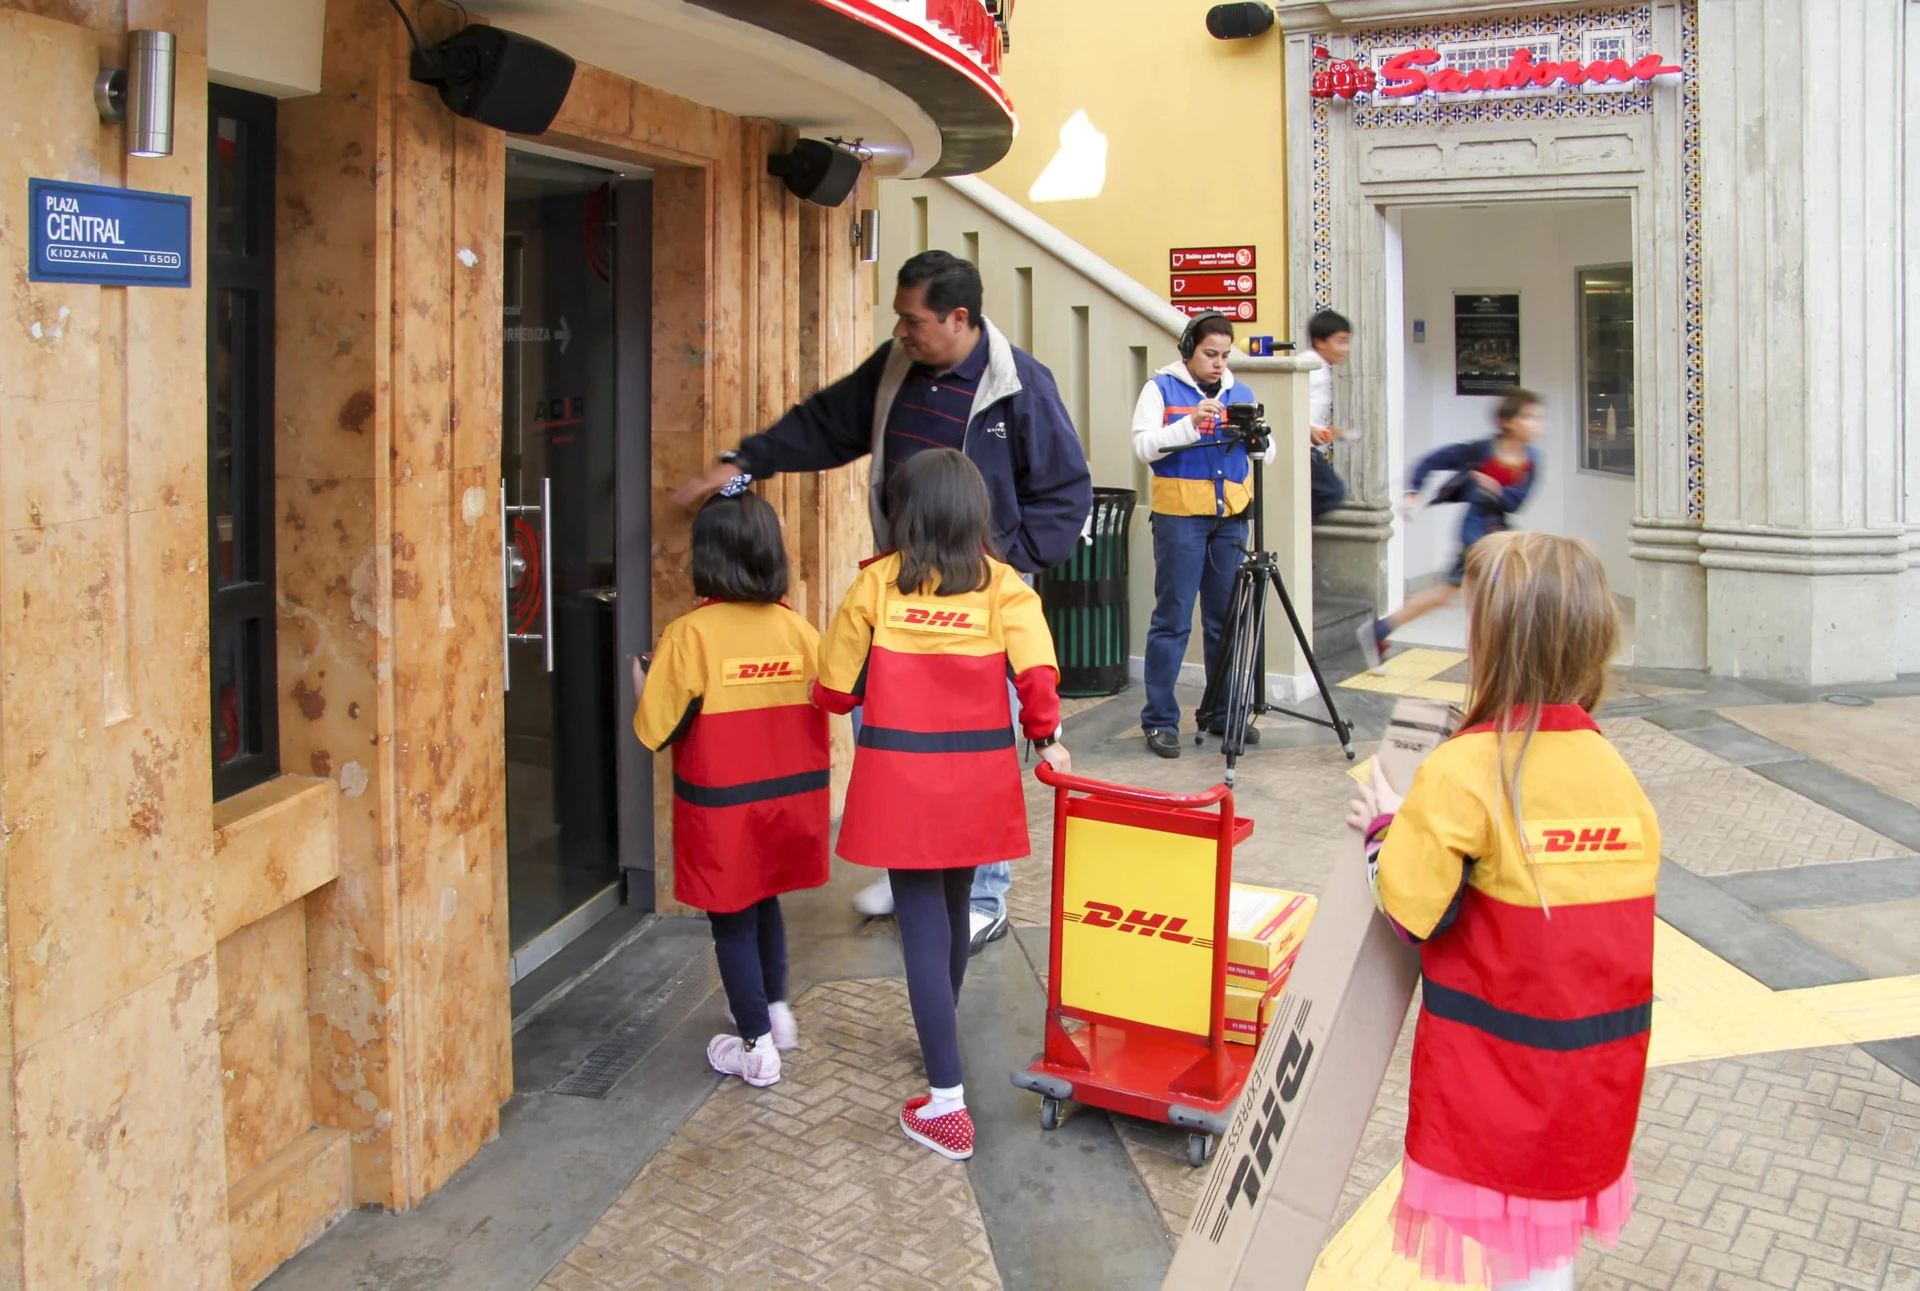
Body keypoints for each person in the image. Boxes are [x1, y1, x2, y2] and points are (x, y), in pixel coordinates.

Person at [670, 250, 1092, 954]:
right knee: (892, 748)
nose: (899, 331)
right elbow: (824, 423)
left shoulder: (1019, 385)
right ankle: (910, 870)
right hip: (899, 595)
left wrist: (1000, 570)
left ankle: (981, 896)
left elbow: (1066, 494)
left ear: (958, 318)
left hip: (978, 610)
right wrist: (746, 460)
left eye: (911, 319)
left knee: (974, 756)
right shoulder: (897, 367)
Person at [1347, 530, 1658, 1291]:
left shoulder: (1464, 769)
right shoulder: (1613, 769)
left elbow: (1410, 908)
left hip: (1498, 1081)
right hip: (1596, 1078)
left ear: (1494, 645)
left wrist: (1386, 826)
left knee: (1518, 1264)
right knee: (1548, 1250)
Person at [811, 449, 1071, 1160]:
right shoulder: (1004, 587)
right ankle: (941, 1030)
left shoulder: (876, 585)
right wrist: (1047, 738)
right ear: (975, 513)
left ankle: (947, 1105)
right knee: (955, 907)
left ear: (906, 514)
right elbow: (1038, 677)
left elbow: (833, 690)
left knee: (922, 927)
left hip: (902, 783)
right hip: (979, 782)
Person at [631, 483, 831, 1089]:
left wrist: (642, 682)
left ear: (707, 556)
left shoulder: (689, 635)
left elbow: (655, 728)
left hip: (725, 813)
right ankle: (776, 1012)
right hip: (788, 805)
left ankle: (756, 1048)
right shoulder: (799, 630)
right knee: (766, 900)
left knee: (732, 919)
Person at [1131, 311, 1261, 758]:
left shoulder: (1240, 392)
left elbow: (1264, 451)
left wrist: (1261, 440)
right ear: (1188, 350)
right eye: (1210, 354)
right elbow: (1143, 446)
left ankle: (1222, 711)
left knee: (1225, 620)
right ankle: (1160, 719)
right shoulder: (1160, 388)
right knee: (1173, 619)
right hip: (1180, 520)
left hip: (1231, 518)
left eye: (1225, 355)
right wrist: (1190, 424)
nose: (1219, 363)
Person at [1358, 388, 1543, 674]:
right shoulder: (1482, 450)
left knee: (1447, 592)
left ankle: (1379, 631)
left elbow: (1516, 503)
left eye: (1537, 418)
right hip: (1475, 531)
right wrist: (1413, 492)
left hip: (1499, 530)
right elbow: (1433, 460)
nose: (1537, 424)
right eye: (1529, 417)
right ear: (1508, 421)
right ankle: (1491, 666)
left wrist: (1496, 490)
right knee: (1487, 598)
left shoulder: (1533, 459)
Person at [1306, 309, 1354, 519]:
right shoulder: (1310, 366)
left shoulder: (1321, 368)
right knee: (1332, 492)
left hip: (1309, 448)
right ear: (1320, 342)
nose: (1346, 348)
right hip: (1304, 450)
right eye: (1340, 341)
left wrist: (1332, 431)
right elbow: (1287, 401)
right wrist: (1308, 429)